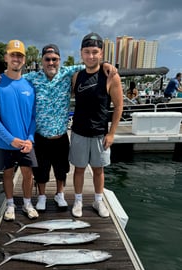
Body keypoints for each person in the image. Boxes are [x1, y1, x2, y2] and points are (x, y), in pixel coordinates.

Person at [0, 44, 116, 212]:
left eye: (54, 59)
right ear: (42, 61)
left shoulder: (67, 72)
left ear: (59, 61)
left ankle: (59, 194)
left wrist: (106, 64)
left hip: (61, 135)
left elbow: (90, 63)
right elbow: (13, 77)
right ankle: (41, 196)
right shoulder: (31, 77)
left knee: (61, 169)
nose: (51, 63)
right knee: (41, 170)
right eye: (47, 59)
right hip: (41, 135)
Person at [69, 32, 123, 218]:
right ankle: (78, 200)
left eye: (94, 52)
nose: (90, 56)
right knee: (79, 169)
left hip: (101, 133)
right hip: (78, 132)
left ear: (101, 53)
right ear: (81, 53)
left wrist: (112, 133)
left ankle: (98, 201)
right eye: (87, 52)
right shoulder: (76, 77)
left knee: (99, 170)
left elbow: (118, 106)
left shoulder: (110, 76)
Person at [0, 39, 39, 221]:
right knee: (7, 174)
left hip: (25, 141)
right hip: (4, 141)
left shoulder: (30, 86)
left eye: (20, 56)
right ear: (6, 57)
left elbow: (33, 117)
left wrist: (30, 139)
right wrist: (10, 139)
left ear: (24, 60)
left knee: (28, 174)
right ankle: (10, 204)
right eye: (13, 55)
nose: (16, 58)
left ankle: (27, 203)